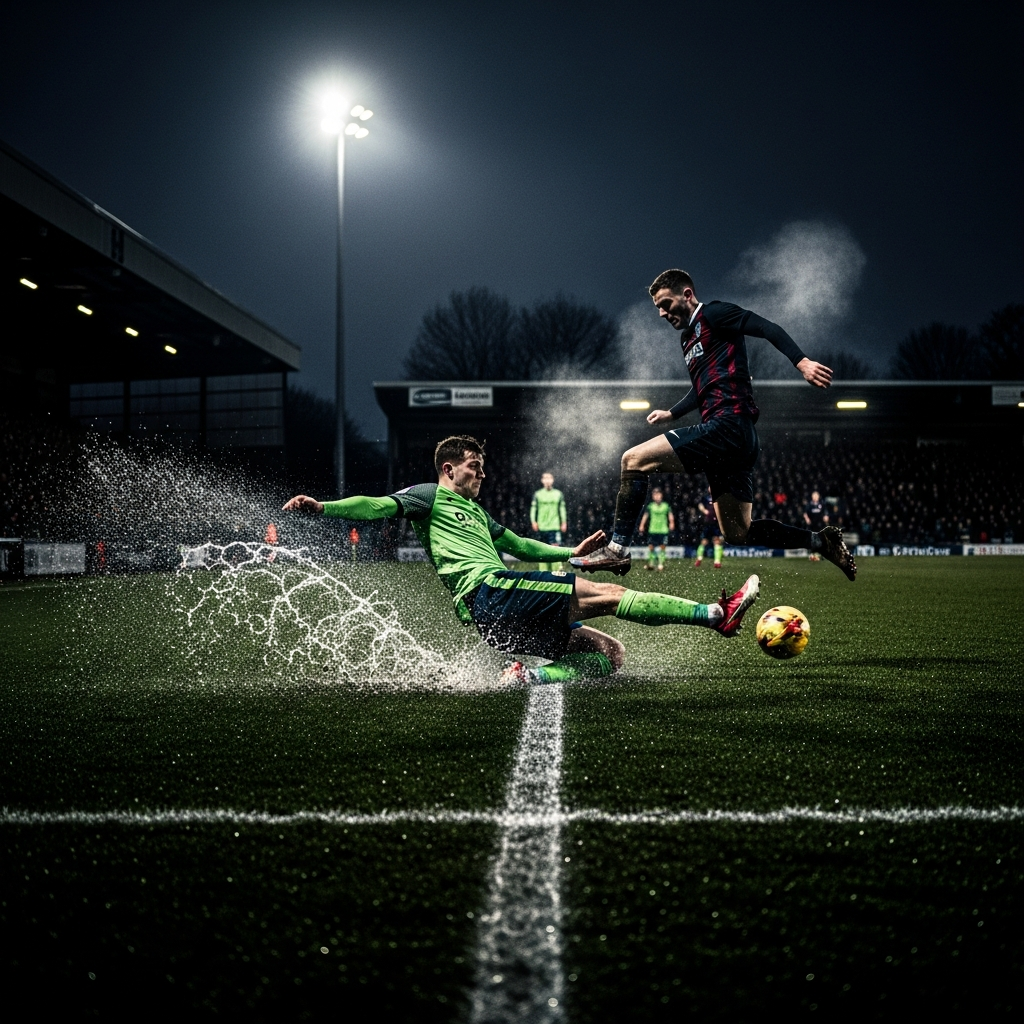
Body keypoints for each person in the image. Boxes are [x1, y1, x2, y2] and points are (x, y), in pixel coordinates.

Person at [282, 435, 761, 686]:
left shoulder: (476, 511)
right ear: (449, 469)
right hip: (490, 592)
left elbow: (523, 545)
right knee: (611, 596)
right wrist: (324, 507)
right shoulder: (430, 496)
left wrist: (571, 553)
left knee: (609, 654)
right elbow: (377, 504)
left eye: (483, 468)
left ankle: (528, 676)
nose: (481, 474)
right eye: (474, 466)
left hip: (495, 615)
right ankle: (716, 615)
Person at [570, 269, 857, 581]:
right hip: (735, 441)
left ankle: (618, 549)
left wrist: (800, 361)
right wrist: (672, 413)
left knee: (633, 461)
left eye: (666, 304)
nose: (663, 313)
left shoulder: (715, 314)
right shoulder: (686, 340)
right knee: (738, 532)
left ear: (687, 294)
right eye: (658, 309)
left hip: (728, 426)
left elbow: (765, 327)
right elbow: (701, 388)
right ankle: (821, 541)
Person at [529, 472, 568, 571]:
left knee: (555, 550)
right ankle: (543, 573)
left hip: (554, 527)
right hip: (542, 527)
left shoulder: (558, 494)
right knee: (541, 551)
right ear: (542, 480)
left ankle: (557, 572)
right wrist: (533, 521)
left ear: (553, 480)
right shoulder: (538, 494)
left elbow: (562, 509)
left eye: (549, 478)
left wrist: (563, 521)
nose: (547, 480)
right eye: (545, 478)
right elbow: (533, 508)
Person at [638, 487, 674, 571]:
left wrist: (672, 523)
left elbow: (670, 515)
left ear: (661, 495)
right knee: (651, 547)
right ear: (653, 496)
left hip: (663, 530)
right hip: (653, 529)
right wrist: (642, 525)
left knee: (662, 547)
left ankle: (661, 564)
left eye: (658, 494)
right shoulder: (650, 506)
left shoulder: (666, 505)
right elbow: (645, 516)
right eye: (655, 495)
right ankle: (651, 563)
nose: (657, 496)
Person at [694, 491, 723, 569]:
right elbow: (699, 504)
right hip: (707, 522)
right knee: (704, 541)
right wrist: (704, 511)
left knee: (717, 541)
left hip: (716, 522)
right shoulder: (705, 497)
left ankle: (717, 562)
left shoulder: (719, 497)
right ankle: (699, 558)